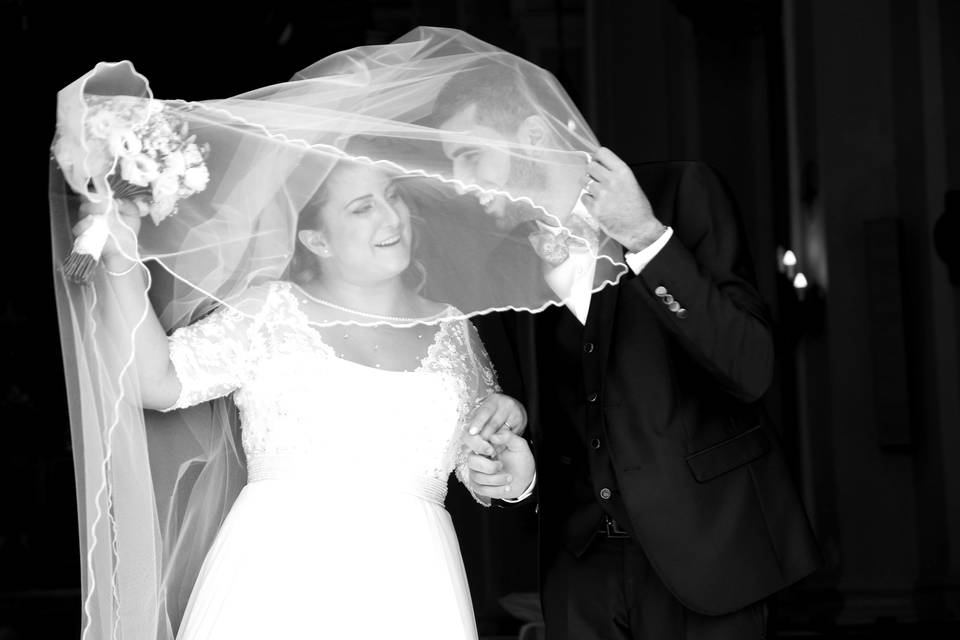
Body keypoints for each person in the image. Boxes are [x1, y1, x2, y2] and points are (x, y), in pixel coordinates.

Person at [436, 54, 823, 639]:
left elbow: (751, 368)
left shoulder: (680, 192)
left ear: (533, 136)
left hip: (709, 559)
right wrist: (524, 478)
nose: (461, 180)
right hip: (580, 576)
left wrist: (645, 237)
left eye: (471, 156)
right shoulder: (502, 266)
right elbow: (550, 418)